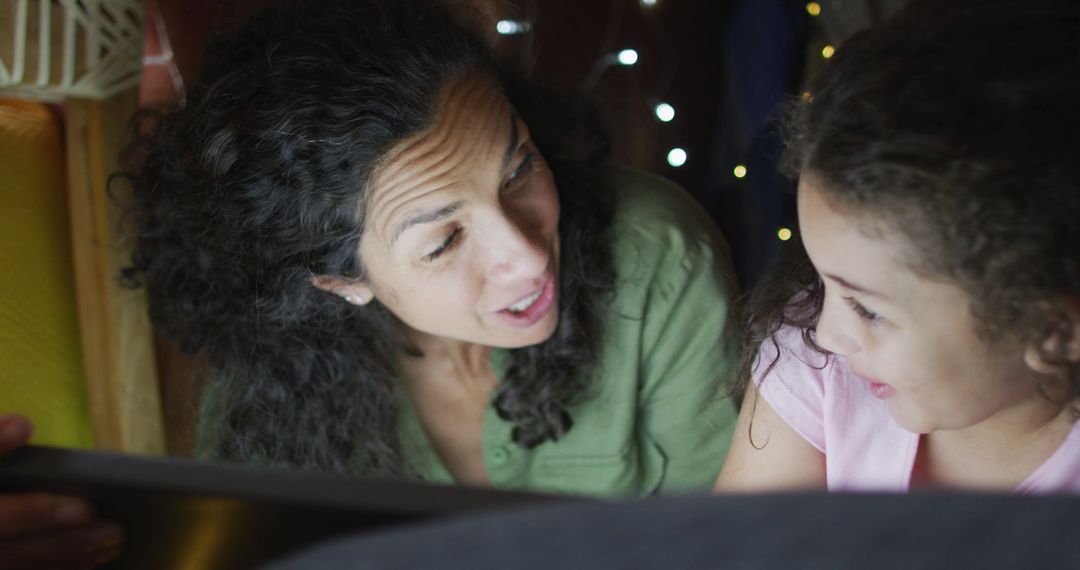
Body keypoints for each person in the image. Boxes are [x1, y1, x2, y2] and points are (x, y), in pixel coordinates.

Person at [123, 0, 738, 496]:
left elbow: (733, 539)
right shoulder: (277, 383)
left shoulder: (656, 255)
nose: (526, 255)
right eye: (444, 241)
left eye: (519, 168)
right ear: (339, 280)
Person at [715, 0, 1080, 493]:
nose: (827, 335)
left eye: (868, 309)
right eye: (824, 282)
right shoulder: (814, 368)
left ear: (1056, 330)